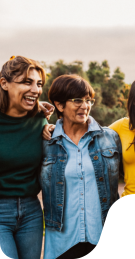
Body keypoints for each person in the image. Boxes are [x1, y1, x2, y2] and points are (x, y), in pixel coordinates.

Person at [41, 74, 122, 259]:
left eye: (88, 100)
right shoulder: (46, 141)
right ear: (60, 105)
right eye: (77, 100)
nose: (85, 106)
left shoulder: (110, 138)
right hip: (62, 241)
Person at [0, 56, 54, 259]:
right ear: (4, 83)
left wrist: (49, 129)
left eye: (38, 84)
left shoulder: (39, 118)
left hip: (31, 211)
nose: (36, 89)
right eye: (26, 82)